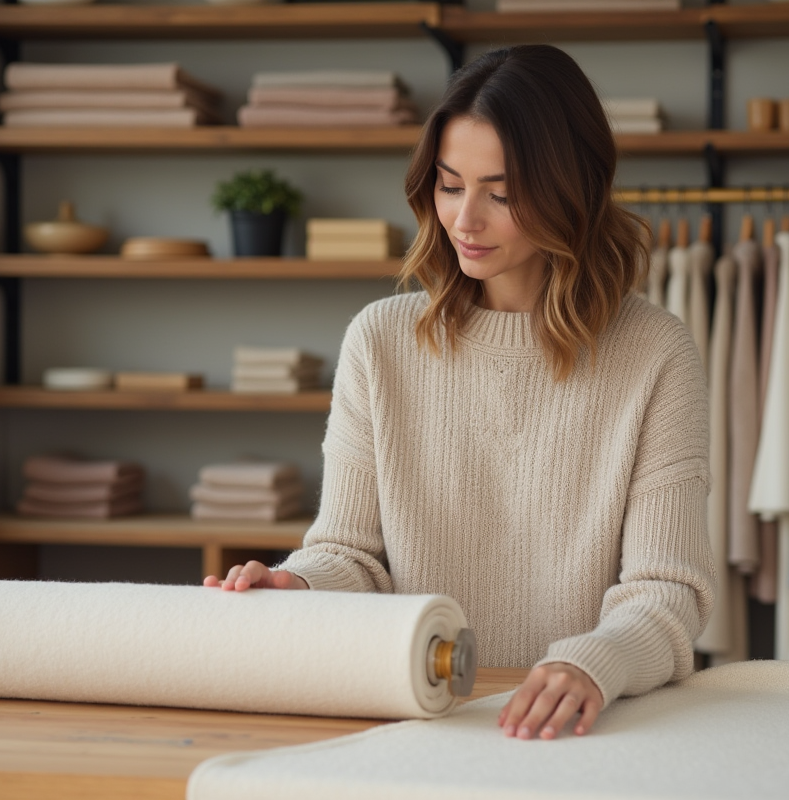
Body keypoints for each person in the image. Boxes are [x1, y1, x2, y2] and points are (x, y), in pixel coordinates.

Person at [204, 44, 715, 742]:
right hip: (417, 719)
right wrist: (298, 586)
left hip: (583, 727)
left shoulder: (656, 352)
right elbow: (352, 556)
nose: (465, 220)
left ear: (573, 189)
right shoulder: (380, 342)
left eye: (501, 194)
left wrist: (591, 664)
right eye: (449, 185)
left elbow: (668, 594)